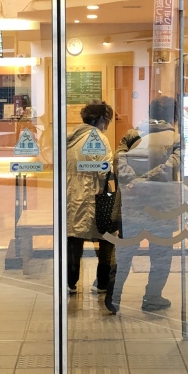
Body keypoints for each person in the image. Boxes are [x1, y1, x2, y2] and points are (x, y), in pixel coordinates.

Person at [109, 95, 182, 314]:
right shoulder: (176, 138)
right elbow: (172, 166)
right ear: (174, 116)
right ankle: (153, 297)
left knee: (124, 253)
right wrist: (147, 181)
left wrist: (134, 181)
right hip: (162, 206)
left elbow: (118, 160)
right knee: (161, 255)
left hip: (131, 204)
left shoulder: (132, 134)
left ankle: (114, 296)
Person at [65, 100, 118, 296]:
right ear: (102, 119)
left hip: (71, 195)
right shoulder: (98, 138)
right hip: (93, 196)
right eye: (108, 121)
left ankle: (70, 283)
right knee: (106, 237)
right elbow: (105, 171)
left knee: (74, 237)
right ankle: (103, 282)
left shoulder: (70, 137)